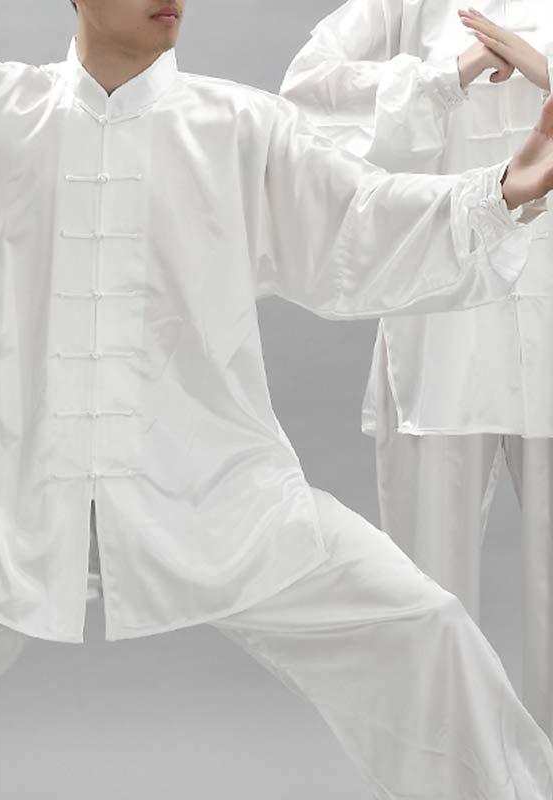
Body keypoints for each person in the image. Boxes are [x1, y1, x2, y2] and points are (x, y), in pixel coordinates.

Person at [0, 0, 553, 796]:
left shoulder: (239, 130)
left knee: (427, 632)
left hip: (223, 499)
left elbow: (362, 218)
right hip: (6, 509)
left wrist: (500, 194)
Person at [279, 0, 553, 737]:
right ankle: (442, 777)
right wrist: (448, 75)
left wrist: (545, 69)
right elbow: (305, 100)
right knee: (428, 602)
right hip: (440, 333)